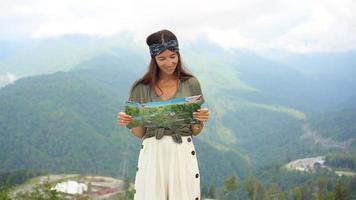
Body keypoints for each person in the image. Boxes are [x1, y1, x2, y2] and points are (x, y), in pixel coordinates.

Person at [117, 29, 209, 200]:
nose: (169, 62)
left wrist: (200, 120)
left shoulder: (191, 83)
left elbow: (195, 130)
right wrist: (130, 120)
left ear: (178, 55)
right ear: (154, 59)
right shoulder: (141, 88)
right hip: (153, 152)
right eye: (162, 58)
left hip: (182, 149)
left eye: (173, 56)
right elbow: (140, 134)